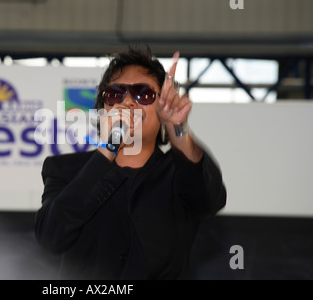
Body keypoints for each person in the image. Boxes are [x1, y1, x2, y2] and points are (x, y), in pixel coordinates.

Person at [34, 45, 227, 280]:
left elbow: (210, 198)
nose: (127, 102)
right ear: (103, 109)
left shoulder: (179, 174)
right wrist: (108, 149)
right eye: (115, 93)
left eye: (143, 93)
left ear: (162, 107)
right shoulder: (65, 170)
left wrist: (178, 128)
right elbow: (50, 237)